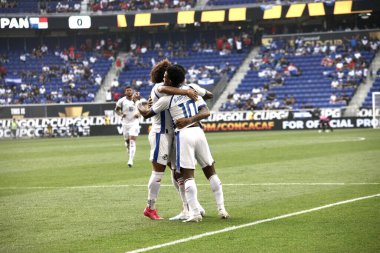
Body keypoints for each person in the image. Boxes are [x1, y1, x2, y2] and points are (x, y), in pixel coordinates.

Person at [138, 65, 229, 222]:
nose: (164, 80)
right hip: (195, 132)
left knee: (184, 175)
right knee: (209, 171)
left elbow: (146, 114)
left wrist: (138, 102)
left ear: (171, 80)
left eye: (167, 78)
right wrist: (191, 95)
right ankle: (219, 208)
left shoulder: (166, 97)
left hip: (180, 134)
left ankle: (191, 211)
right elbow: (208, 99)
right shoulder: (192, 89)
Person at [134, 59, 199, 220]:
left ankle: (188, 207)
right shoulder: (159, 87)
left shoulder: (175, 89)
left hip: (174, 134)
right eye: (165, 74)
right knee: (158, 172)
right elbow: (163, 89)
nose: (165, 77)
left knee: (178, 172)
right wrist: (187, 92)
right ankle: (150, 207)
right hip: (160, 133)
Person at [115, 86, 141, 167]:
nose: (129, 92)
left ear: (132, 91)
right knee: (127, 141)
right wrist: (121, 114)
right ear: (125, 92)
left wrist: (138, 114)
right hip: (125, 123)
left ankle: (130, 160)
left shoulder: (137, 100)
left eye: (130, 90)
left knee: (132, 140)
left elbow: (142, 109)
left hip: (134, 123)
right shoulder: (121, 101)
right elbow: (117, 110)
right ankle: (129, 152)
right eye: (127, 90)